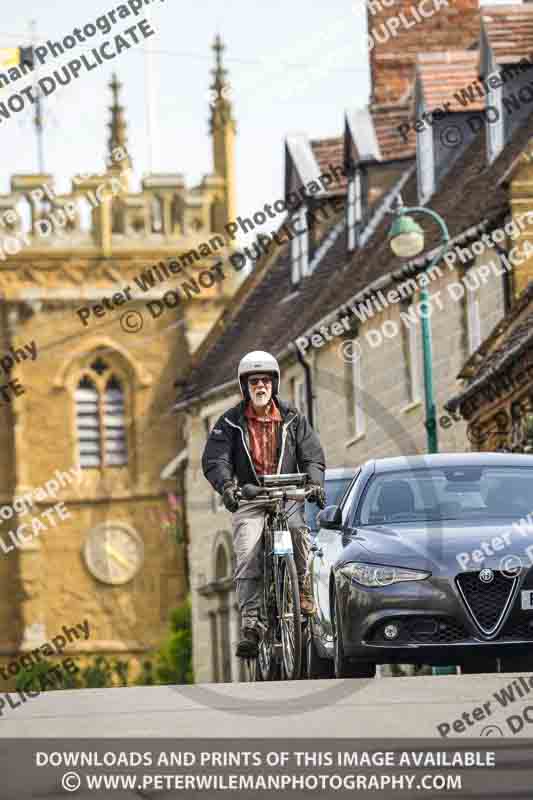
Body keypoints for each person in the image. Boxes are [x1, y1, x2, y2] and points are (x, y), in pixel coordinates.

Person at [202, 350, 326, 658]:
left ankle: (302, 591)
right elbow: (215, 459)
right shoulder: (229, 422)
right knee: (246, 552)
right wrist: (228, 487)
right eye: (254, 381)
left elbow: (312, 454)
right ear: (245, 386)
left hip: (287, 496)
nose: (261, 386)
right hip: (251, 498)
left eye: (266, 381)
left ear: (275, 383)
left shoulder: (294, 418)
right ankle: (252, 624)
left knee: (298, 533)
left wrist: (314, 483)